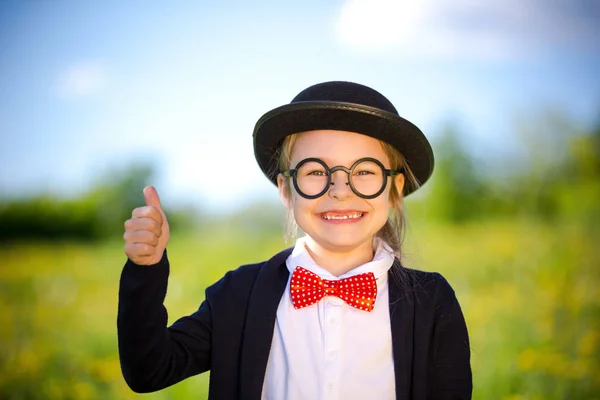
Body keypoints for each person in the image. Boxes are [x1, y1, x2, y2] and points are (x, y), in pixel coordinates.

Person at [118, 81, 472, 400]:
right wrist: (145, 270)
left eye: (364, 171)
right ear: (286, 190)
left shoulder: (433, 303)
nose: (340, 190)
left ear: (394, 190)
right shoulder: (238, 294)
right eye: (316, 171)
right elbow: (149, 371)